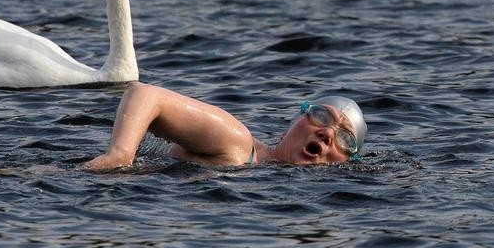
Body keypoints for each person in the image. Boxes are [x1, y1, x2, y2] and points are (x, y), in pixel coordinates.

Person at [83, 82, 367, 170]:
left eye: (345, 139)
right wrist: (119, 156)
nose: (328, 133)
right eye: (322, 116)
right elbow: (144, 93)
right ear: (294, 122)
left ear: (349, 160)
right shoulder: (238, 144)